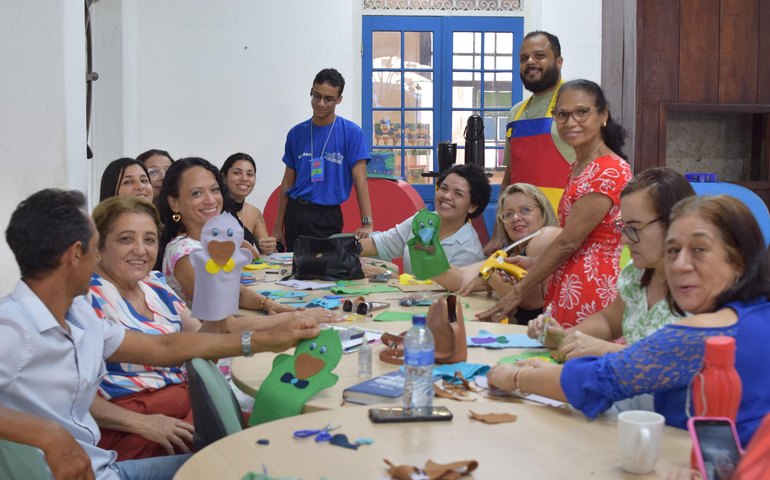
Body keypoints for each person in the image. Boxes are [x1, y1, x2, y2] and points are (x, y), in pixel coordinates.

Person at [0, 188, 321, 480]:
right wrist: (47, 435)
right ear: (74, 255)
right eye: (98, 247)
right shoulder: (14, 327)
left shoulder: (79, 316)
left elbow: (165, 345)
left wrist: (265, 340)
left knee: (242, 461)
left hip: (105, 468)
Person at [488, 195, 770, 447]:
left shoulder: (703, 332)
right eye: (672, 251)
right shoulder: (757, 313)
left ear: (739, 260)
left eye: (699, 249)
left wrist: (515, 377)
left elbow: (599, 380)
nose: (680, 265)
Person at [88, 196, 334, 461]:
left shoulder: (154, 285)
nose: (140, 250)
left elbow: (205, 337)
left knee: (301, 432)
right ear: (98, 247)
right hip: (143, 431)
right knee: (282, 452)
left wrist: (284, 319)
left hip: (188, 409)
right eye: (126, 239)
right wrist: (140, 423)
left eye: (149, 240)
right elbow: (165, 348)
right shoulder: (88, 299)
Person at [478, 79, 632, 327]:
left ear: (603, 115)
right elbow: (579, 241)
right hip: (568, 282)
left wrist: (518, 291)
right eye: (562, 114)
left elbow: (569, 242)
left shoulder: (609, 169)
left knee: (576, 358)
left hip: (591, 287)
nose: (571, 122)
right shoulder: (580, 165)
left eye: (582, 112)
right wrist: (535, 263)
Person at [527, 167, 695, 358]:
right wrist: (566, 336)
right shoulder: (636, 272)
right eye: (623, 227)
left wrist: (606, 349)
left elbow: (680, 363)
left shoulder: (699, 287)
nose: (624, 239)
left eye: (634, 227)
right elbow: (609, 321)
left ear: (673, 221)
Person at [157, 157, 291, 319]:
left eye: (214, 190)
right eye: (197, 193)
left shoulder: (208, 243)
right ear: (174, 203)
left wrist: (269, 304)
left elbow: (236, 292)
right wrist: (287, 321)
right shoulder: (185, 253)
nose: (211, 200)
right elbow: (221, 322)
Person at [272, 68, 373, 251]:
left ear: (339, 99)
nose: (320, 103)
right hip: (296, 212)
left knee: (324, 272)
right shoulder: (296, 133)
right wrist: (278, 227)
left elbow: (361, 180)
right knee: (295, 270)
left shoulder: (352, 133)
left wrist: (367, 222)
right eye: (316, 96)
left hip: (327, 216)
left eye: (328, 99)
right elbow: (287, 182)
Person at [358, 163, 491, 288]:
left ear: (472, 206)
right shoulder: (422, 220)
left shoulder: (469, 250)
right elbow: (383, 243)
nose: (446, 196)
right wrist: (344, 249)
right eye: (443, 188)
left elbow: (439, 289)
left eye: (458, 194)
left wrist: (389, 276)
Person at [458, 183, 562, 325]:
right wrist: (429, 255)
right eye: (508, 214)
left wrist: (489, 276)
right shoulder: (511, 252)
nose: (515, 218)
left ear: (543, 212)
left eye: (525, 210)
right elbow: (460, 278)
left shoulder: (546, 235)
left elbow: (532, 300)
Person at [501, 31, 575, 194]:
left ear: (559, 62)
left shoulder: (575, 105)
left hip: (566, 216)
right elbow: (510, 174)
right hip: (521, 217)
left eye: (539, 56)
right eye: (524, 58)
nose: (530, 62)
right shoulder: (515, 114)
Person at [221, 152, 277, 254]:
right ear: (224, 177)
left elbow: (268, 255)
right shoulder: (213, 209)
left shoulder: (254, 213)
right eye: (237, 173)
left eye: (250, 174)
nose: (244, 179)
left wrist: (270, 248)